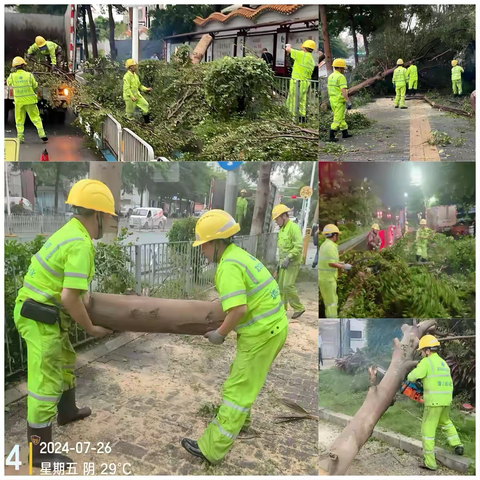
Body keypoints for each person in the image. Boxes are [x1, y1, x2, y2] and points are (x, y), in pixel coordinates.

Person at [13, 179, 115, 467]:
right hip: (39, 317)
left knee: (66, 359)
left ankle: (67, 411)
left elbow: (70, 293)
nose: (107, 223)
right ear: (97, 215)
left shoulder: (70, 232)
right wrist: (92, 328)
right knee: (44, 383)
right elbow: (71, 297)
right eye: (107, 217)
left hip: (44, 313)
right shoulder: (81, 244)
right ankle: (39, 453)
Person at [181, 209, 288, 464]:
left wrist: (220, 333)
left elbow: (239, 309)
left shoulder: (228, 266)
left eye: (204, 245)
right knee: (246, 380)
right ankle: (242, 423)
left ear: (217, 243)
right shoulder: (239, 256)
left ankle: (212, 449)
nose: (202, 250)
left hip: (261, 334)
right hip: (273, 328)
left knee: (236, 389)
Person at [407, 335, 463, 471]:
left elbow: (412, 377)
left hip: (433, 402)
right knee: (445, 421)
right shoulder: (443, 363)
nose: (421, 353)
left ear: (427, 351)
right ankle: (457, 444)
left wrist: (412, 377)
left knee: (427, 430)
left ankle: (430, 463)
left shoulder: (426, 362)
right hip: (446, 400)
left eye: (422, 351)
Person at [272, 204, 305, 319]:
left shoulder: (293, 228)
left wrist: (289, 257)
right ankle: (282, 309)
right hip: (282, 263)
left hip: (292, 263)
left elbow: (299, 246)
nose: (276, 221)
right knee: (281, 286)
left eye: (277, 219)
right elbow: (282, 249)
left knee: (287, 285)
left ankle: (299, 307)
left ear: (283, 216)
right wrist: (279, 264)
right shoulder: (282, 230)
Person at [6, 57, 48, 144]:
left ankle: (20, 137)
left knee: (19, 120)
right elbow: (35, 85)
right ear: (23, 66)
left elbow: (8, 83)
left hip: (19, 102)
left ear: (14, 67)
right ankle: (42, 135)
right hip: (30, 101)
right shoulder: (29, 75)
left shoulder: (12, 76)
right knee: (36, 118)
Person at [318, 224, 352, 318]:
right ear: (335, 235)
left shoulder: (324, 245)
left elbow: (328, 261)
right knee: (332, 304)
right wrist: (343, 266)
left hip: (323, 279)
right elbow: (331, 264)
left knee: (328, 303)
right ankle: (332, 322)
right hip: (329, 280)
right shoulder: (331, 247)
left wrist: (340, 263)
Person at [285, 40, 316, 123]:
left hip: (296, 81)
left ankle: (292, 116)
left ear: (304, 48)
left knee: (293, 98)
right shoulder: (312, 61)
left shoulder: (301, 54)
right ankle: (302, 116)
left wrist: (288, 45)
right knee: (302, 99)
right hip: (305, 83)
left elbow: (288, 49)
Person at [327, 58, 353, 142]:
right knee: (337, 119)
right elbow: (343, 90)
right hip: (339, 101)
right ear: (340, 68)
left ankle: (345, 133)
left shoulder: (331, 76)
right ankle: (331, 136)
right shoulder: (341, 77)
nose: (344, 70)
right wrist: (348, 101)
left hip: (332, 100)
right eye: (343, 68)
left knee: (341, 117)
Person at [123, 58, 152, 123]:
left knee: (145, 105)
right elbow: (127, 88)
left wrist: (146, 89)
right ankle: (128, 125)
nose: (135, 67)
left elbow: (140, 86)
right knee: (129, 114)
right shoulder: (127, 76)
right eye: (134, 66)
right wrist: (131, 96)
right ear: (130, 67)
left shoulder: (135, 76)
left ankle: (147, 123)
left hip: (137, 95)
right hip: (129, 97)